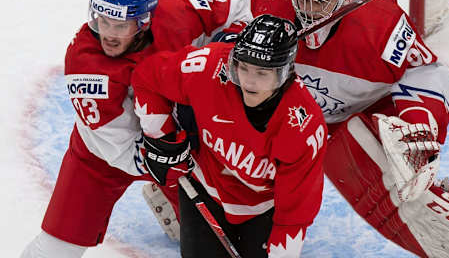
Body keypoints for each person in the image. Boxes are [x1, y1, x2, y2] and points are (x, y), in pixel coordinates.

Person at [205, 0, 449, 257]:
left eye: (321, 3)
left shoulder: (381, 25)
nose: (309, 12)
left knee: (400, 186)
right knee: (220, 128)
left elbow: (425, 70)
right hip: (284, 115)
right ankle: (184, 198)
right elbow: (214, 27)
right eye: (303, 0)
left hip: (356, 117)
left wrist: (419, 124)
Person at [21, 0, 254, 257]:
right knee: (56, 249)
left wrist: (227, 49)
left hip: (180, 140)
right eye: (102, 22)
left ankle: (175, 202)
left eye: (119, 26)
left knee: (216, 244)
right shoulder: (87, 67)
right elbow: (119, 149)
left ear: (145, 21)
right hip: (102, 156)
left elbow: (242, 9)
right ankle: (168, 188)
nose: (108, 34)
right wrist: (164, 161)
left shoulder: (178, 11)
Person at [131, 14, 328, 258]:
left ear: (284, 73)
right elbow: (147, 77)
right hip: (202, 186)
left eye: (262, 73)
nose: (249, 81)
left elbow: (293, 217)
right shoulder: (209, 67)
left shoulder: (302, 124)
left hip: (262, 208)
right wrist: (161, 140)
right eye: (242, 68)